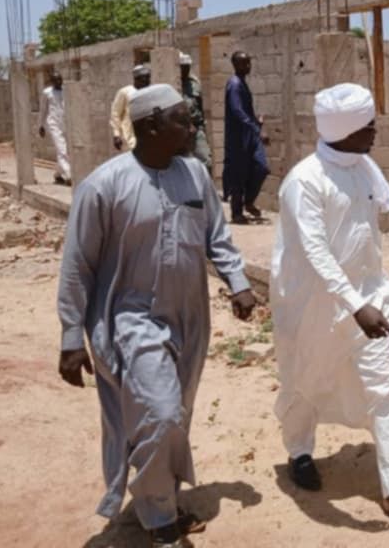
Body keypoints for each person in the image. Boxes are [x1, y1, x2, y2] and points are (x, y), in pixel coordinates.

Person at [56, 83, 258, 547]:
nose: (191, 127)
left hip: (189, 317)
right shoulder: (103, 186)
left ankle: (159, 497)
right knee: (163, 413)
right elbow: (77, 266)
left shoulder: (195, 176)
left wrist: (239, 282)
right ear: (149, 126)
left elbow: (217, 236)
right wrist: (71, 336)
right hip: (130, 319)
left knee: (173, 413)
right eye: (182, 120)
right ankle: (159, 518)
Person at [270, 82, 389, 525]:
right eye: (367, 125)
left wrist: (363, 300)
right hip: (312, 302)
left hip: (370, 295)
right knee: (304, 378)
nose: (376, 130)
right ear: (345, 128)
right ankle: (298, 452)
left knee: (384, 388)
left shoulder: (362, 166)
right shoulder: (305, 180)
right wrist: (353, 304)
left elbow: (377, 210)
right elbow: (315, 251)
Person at [222, 51, 270, 224]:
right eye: (244, 63)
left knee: (261, 167)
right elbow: (237, 111)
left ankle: (248, 201)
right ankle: (236, 213)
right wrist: (257, 130)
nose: (248, 66)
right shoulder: (234, 84)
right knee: (238, 175)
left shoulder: (242, 83)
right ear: (235, 65)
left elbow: (244, 111)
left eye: (249, 63)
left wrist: (256, 120)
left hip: (249, 134)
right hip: (239, 138)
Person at [179, 52, 211, 169]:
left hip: (197, 129)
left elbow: (201, 106)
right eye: (183, 67)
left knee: (206, 162)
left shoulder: (194, 83)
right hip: (180, 130)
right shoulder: (173, 83)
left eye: (188, 67)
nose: (186, 69)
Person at [38, 71, 71, 185]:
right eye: (56, 80)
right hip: (54, 124)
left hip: (66, 123)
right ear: (52, 81)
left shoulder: (67, 90)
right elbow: (43, 110)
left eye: (60, 79)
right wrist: (41, 125)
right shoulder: (47, 93)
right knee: (62, 150)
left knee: (64, 150)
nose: (59, 82)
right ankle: (69, 175)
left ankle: (57, 174)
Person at [110, 64, 152, 152]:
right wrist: (116, 134)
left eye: (149, 77)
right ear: (136, 79)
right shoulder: (125, 92)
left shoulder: (150, 92)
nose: (148, 81)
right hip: (130, 138)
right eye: (145, 78)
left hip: (147, 137)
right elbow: (115, 114)